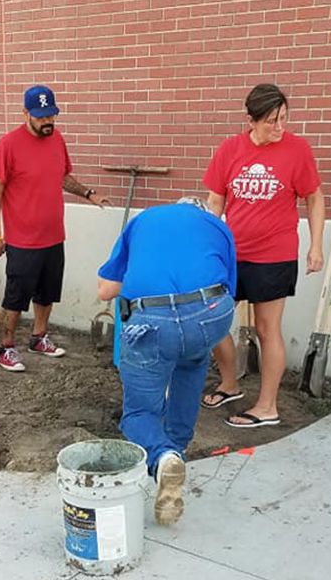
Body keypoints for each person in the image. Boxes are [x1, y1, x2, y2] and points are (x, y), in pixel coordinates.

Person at [97, 197, 236, 525]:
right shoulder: (218, 225)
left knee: (139, 412)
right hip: (210, 315)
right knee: (193, 358)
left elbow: (105, 290)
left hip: (152, 321)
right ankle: (177, 452)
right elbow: (227, 286)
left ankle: (163, 457)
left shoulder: (144, 220)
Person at [201, 83, 325, 428]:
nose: (280, 127)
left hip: (275, 254)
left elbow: (314, 198)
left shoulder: (297, 150)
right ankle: (229, 384)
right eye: (272, 120)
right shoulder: (230, 150)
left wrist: (316, 245)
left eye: (284, 118)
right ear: (250, 120)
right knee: (212, 322)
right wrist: (210, 247)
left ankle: (267, 406)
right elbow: (215, 202)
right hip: (231, 253)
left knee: (267, 329)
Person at [0, 85, 110, 372]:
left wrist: (89, 193)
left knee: (47, 293)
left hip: (53, 236)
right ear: (26, 113)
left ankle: (38, 337)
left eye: (51, 115)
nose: (47, 122)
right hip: (22, 239)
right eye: (41, 117)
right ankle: (6, 347)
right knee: (16, 296)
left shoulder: (57, 140)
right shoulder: (8, 144)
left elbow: (62, 176)